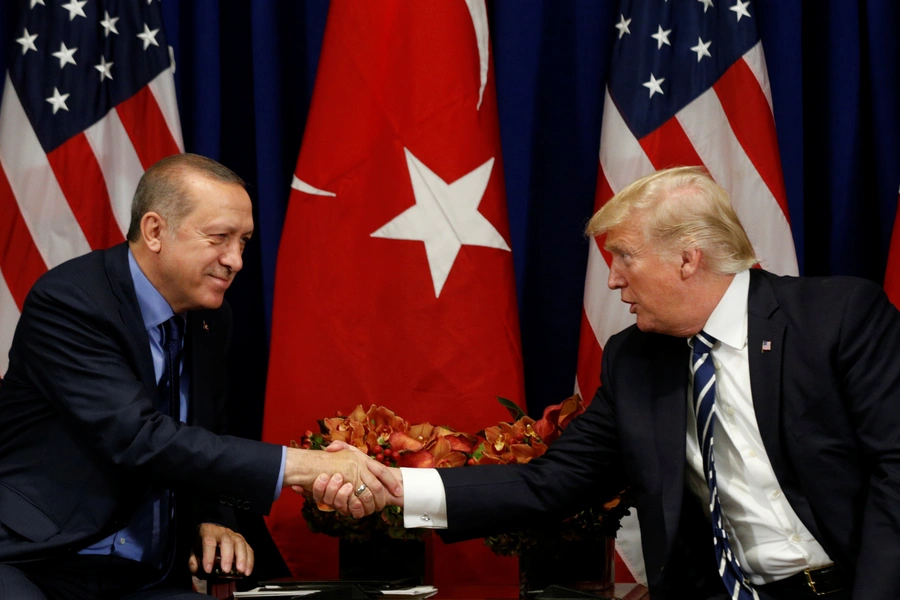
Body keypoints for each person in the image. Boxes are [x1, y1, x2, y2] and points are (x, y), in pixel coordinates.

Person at [317, 166, 900, 599]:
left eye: (623, 256)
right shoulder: (636, 359)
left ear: (687, 259)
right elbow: (554, 482)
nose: (614, 280)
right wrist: (400, 485)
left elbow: (894, 473)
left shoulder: (837, 317)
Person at [0, 153, 400, 599]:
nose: (236, 261)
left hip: (147, 575)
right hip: (38, 560)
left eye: (244, 241)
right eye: (219, 238)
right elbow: (139, 438)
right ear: (155, 231)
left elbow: (205, 432)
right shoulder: (71, 302)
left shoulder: (212, 319)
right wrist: (307, 465)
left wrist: (213, 516)